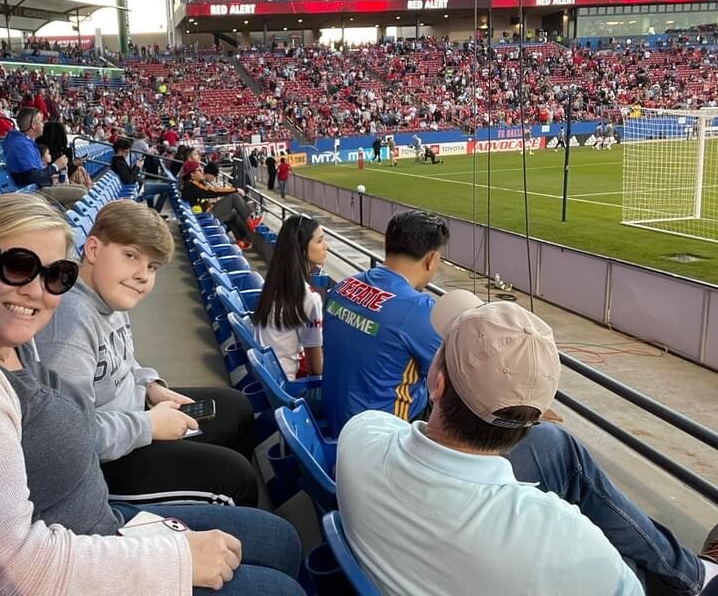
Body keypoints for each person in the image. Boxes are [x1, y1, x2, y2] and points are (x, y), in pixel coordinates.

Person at [0, 194, 304, 595]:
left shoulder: (17, 340)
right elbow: (13, 567)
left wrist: (151, 388)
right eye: (18, 265)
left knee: (279, 539)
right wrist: (175, 560)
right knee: (277, 582)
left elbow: (122, 368)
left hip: (103, 518)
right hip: (82, 554)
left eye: (56, 275)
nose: (37, 291)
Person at [337, 290, 718, 596]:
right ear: (536, 415)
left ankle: (693, 574)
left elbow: (400, 430)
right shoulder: (565, 537)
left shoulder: (361, 434)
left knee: (554, 445)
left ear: (436, 384)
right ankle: (696, 578)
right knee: (632, 566)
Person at [35, 200, 260, 507]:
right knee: (236, 478)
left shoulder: (111, 293)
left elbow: (124, 361)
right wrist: (149, 425)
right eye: (131, 256)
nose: (142, 275)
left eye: (152, 267)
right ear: (93, 249)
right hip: (100, 467)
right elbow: (70, 439)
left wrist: (151, 387)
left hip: (133, 419)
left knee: (236, 409)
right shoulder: (67, 327)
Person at [321, 210, 448, 436]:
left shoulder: (343, 286)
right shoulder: (419, 310)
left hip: (335, 420)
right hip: (381, 439)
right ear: (431, 259)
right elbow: (450, 377)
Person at [251, 215, 326, 380]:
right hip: (289, 384)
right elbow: (316, 369)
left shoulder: (272, 283)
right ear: (301, 247)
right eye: (320, 241)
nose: (325, 247)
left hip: (268, 376)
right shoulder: (309, 297)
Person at [1, 107, 86, 208]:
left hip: (36, 189)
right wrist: (55, 166)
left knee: (82, 188)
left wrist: (52, 175)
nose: (43, 125)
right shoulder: (21, 146)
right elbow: (32, 177)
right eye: (41, 122)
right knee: (82, 193)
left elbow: (36, 173)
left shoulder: (25, 142)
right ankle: (56, 216)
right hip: (31, 194)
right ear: (33, 125)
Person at [181, 160, 258, 250]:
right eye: (199, 170)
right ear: (192, 174)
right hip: (203, 219)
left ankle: (241, 240)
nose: (202, 171)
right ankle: (250, 219)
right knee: (233, 196)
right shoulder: (192, 185)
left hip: (202, 216)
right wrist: (235, 189)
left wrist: (211, 204)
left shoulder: (191, 184)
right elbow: (213, 191)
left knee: (233, 213)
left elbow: (203, 197)